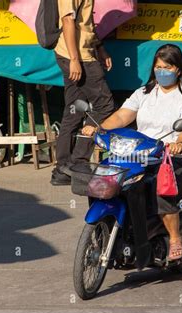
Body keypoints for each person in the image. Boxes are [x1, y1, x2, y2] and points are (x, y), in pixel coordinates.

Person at [82, 44, 182, 261]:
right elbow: (121, 117)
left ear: (178, 69)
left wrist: (180, 142)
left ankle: (174, 238)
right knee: (103, 179)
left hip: (172, 156)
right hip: (138, 152)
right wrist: (100, 129)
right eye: (158, 66)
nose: (161, 71)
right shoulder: (144, 92)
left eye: (167, 67)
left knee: (160, 191)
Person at [51, 0, 116, 186]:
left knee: (74, 110)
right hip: (78, 57)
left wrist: (100, 48)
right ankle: (77, 163)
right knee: (105, 105)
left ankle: (62, 170)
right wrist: (74, 59)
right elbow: (68, 21)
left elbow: (86, 23)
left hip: (81, 54)